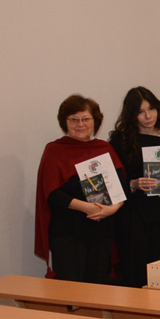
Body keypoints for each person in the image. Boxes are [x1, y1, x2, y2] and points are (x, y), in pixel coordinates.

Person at [36, 94, 126, 283]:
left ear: (95, 121)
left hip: (101, 231)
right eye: (74, 119)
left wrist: (112, 209)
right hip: (68, 233)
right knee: (70, 289)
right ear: (65, 122)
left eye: (86, 119)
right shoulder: (54, 150)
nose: (80, 124)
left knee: (98, 287)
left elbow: (121, 187)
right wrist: (86, 207)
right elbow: (52, 194)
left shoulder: (104, 148)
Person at [108, 86, 160, 286]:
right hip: (134, 214)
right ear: (131, 115)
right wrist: (133, 183)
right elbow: (113, 181)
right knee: (136, 269)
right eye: (140, 112)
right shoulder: (120, 140)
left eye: (152, 109)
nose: (148, 116)